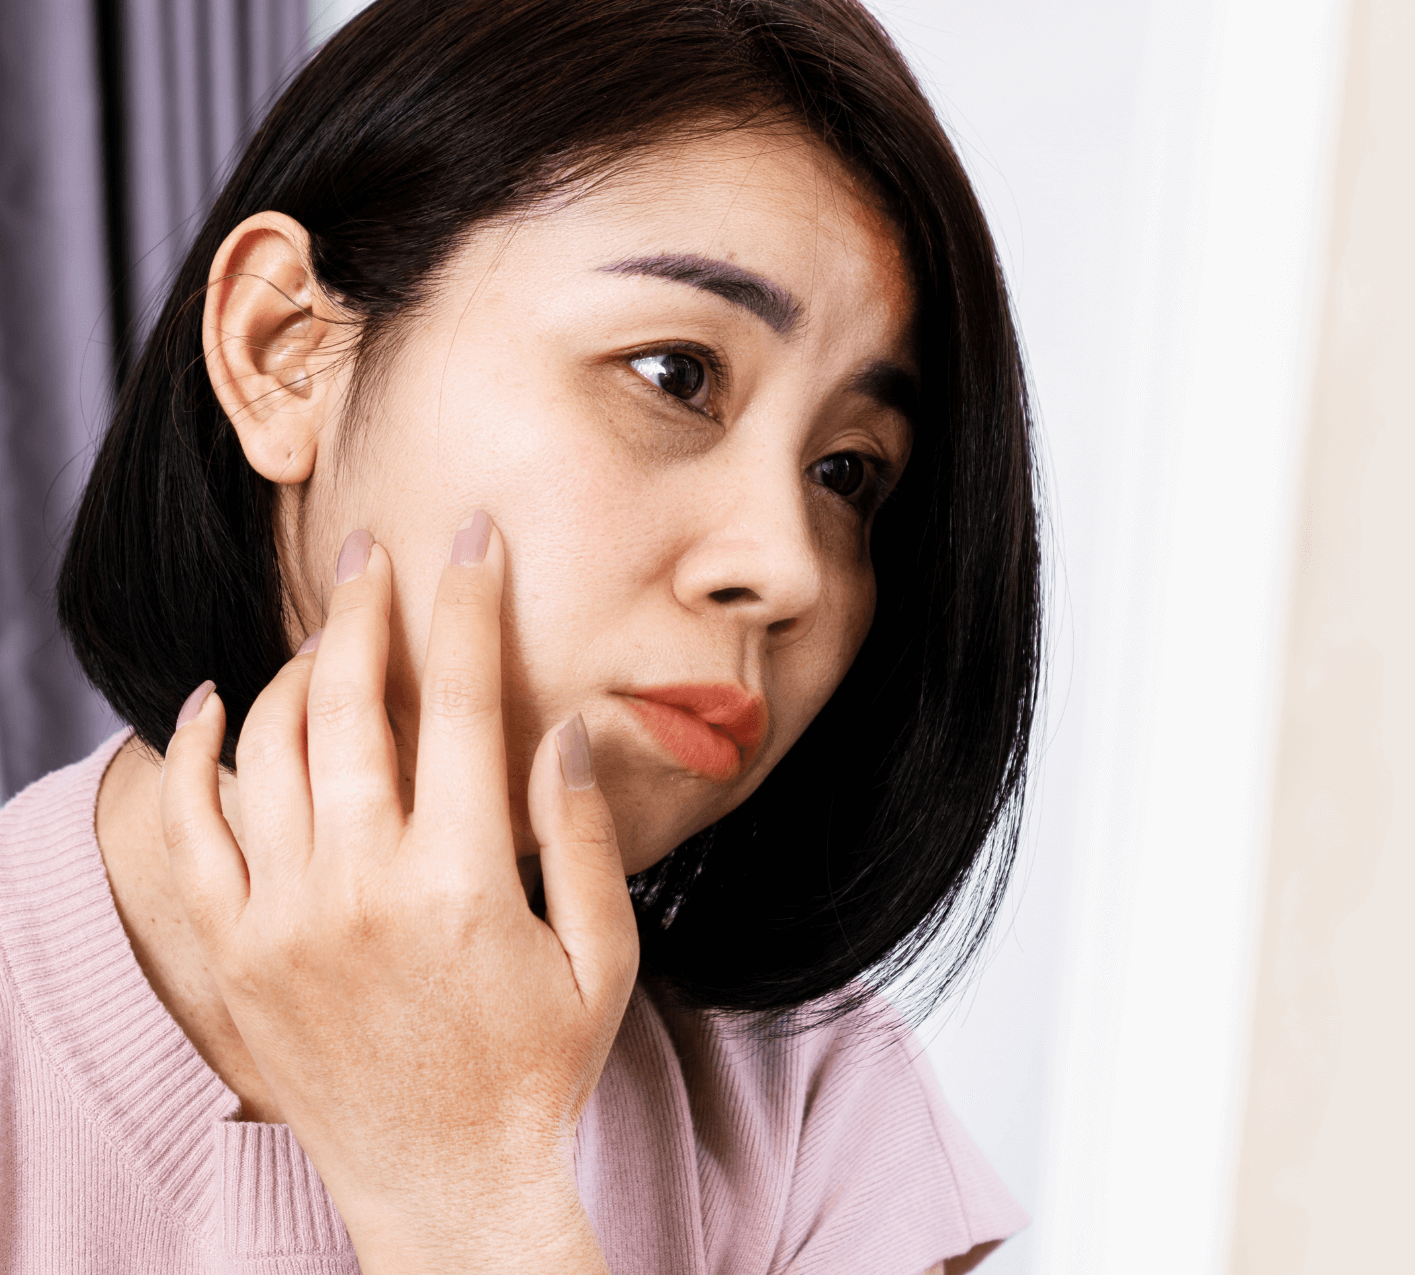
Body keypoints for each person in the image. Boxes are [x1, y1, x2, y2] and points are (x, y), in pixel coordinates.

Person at [0, 0, 1041, 1271]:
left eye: (847, 473)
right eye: (676, 374)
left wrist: (464, 1199)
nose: (785, 571)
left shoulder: (825, 1126)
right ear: (283, 350)